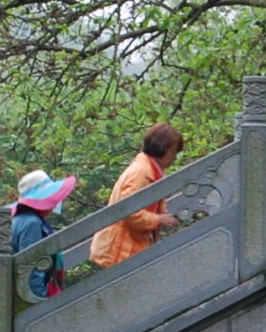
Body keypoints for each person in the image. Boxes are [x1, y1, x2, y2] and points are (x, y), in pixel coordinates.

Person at [89, 123, 185, 270]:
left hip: (128, 251)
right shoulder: (141, 172)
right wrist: (158, 220)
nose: (174, 158)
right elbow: (128, 212)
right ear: (161, 148)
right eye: (173, 152)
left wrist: (160, 215)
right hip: (120, 252)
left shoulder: (149, 171)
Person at [11, 168, 78, 299]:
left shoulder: (22, 219)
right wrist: (40, 302)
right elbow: (32, 266)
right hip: (32, 295)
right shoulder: (32, 224)